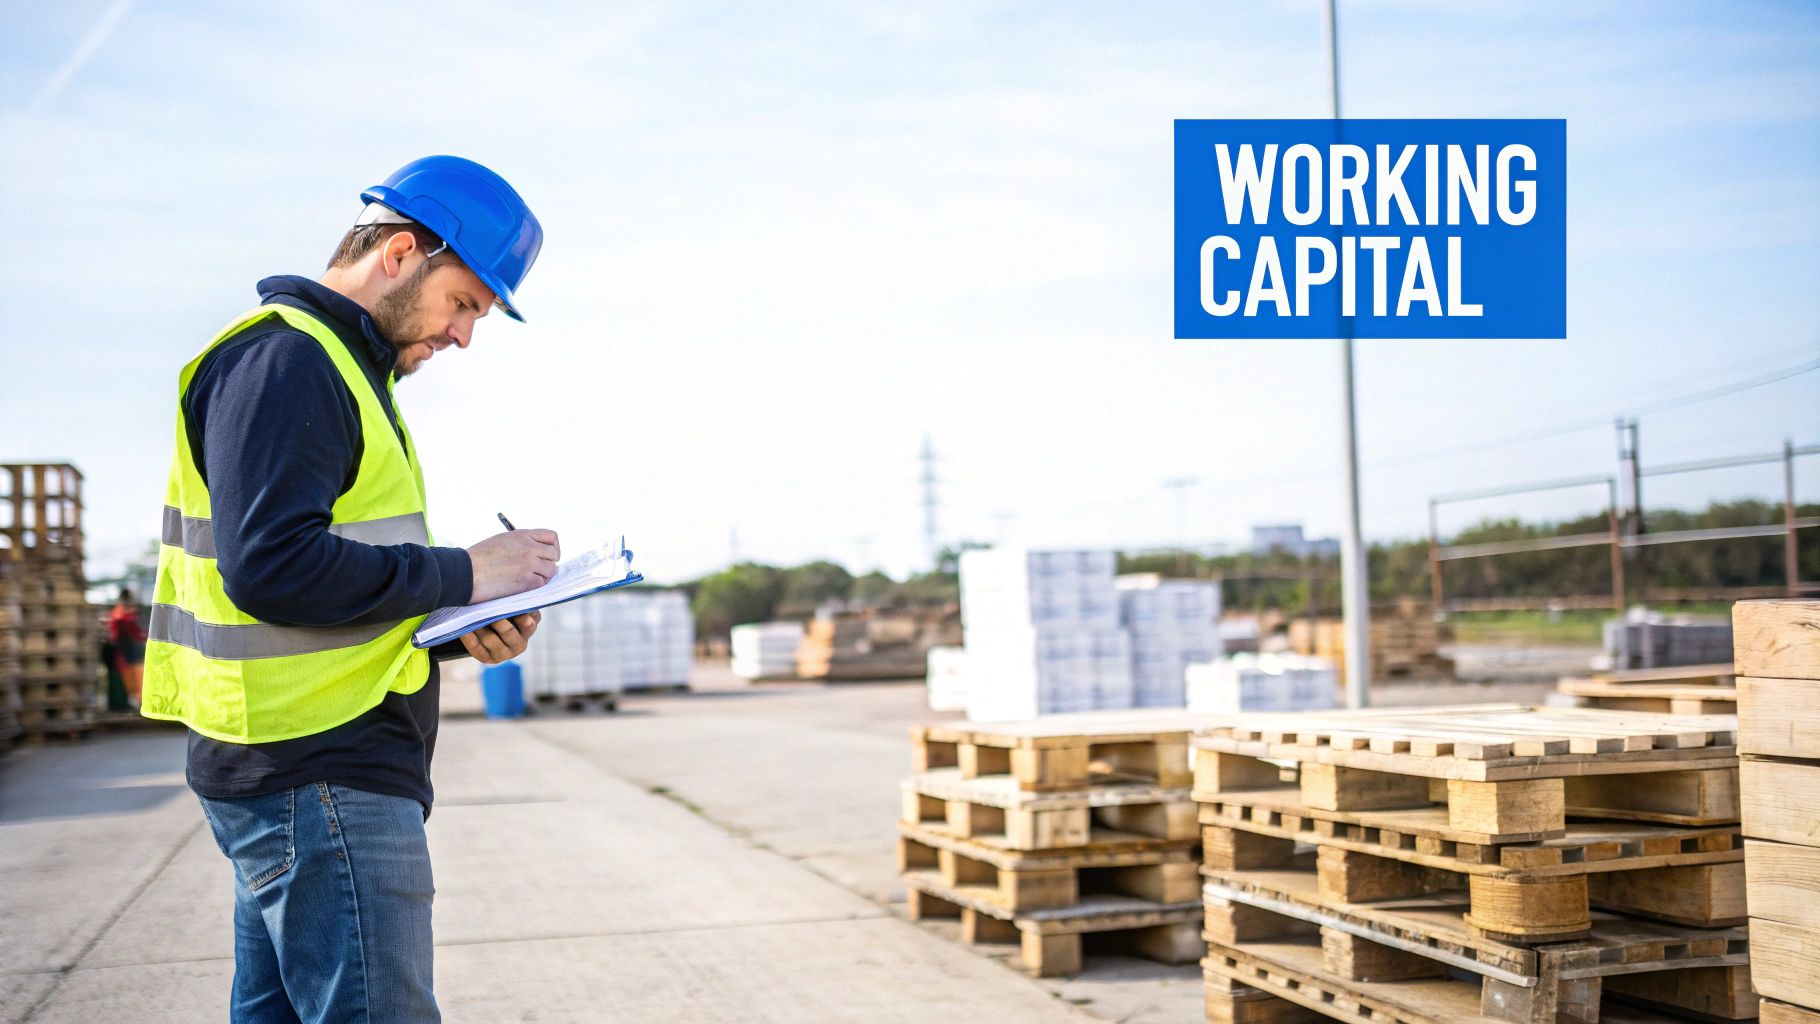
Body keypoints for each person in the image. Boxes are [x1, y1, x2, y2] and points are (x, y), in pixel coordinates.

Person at [141, 156, 555, 1023]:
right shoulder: (290, 363)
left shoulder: (340, 368)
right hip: (317, 773)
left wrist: (459, 618)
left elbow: (330, 571)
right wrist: (467, 570)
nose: (464, 336)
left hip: (302, 768)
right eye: (466, 304)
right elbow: (273, 569)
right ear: (402, 253)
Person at [106, 587, 148, 707]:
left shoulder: (121, 613)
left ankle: (138, 701)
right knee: (134, 678)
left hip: (130, 651)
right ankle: (137, 701)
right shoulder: (122, 614)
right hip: (128, 651)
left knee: (135, 677)